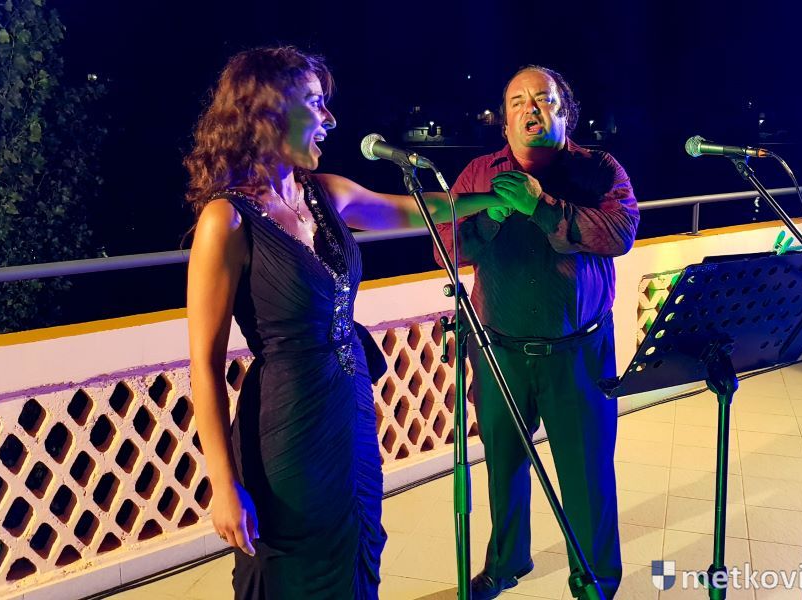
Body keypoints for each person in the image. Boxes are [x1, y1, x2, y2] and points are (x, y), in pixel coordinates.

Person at [185, 47, 505, 599]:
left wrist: (491, 199)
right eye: (315, 102)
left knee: (357, 543)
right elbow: (204, 365)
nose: (330, 118)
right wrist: (223, 484)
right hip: (286, 426)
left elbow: (414, 210)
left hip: (349, 407)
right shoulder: (227, 219)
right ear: (267, 111)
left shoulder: (326, 193)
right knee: (292, 568)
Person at [435, 65, 639, 599]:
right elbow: (446, 248)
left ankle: (595, 579)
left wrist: (540, 207)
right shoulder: (478, 174)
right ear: (504, 122)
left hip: (579, 353)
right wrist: (494, 216)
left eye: (543, 99)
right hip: (498, 351)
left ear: (564, 112)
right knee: (502, 466)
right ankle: (507, 562)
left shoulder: (598, 170)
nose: (531, 108)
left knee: (587, 474)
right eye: (517, 101)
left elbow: (619, 233)